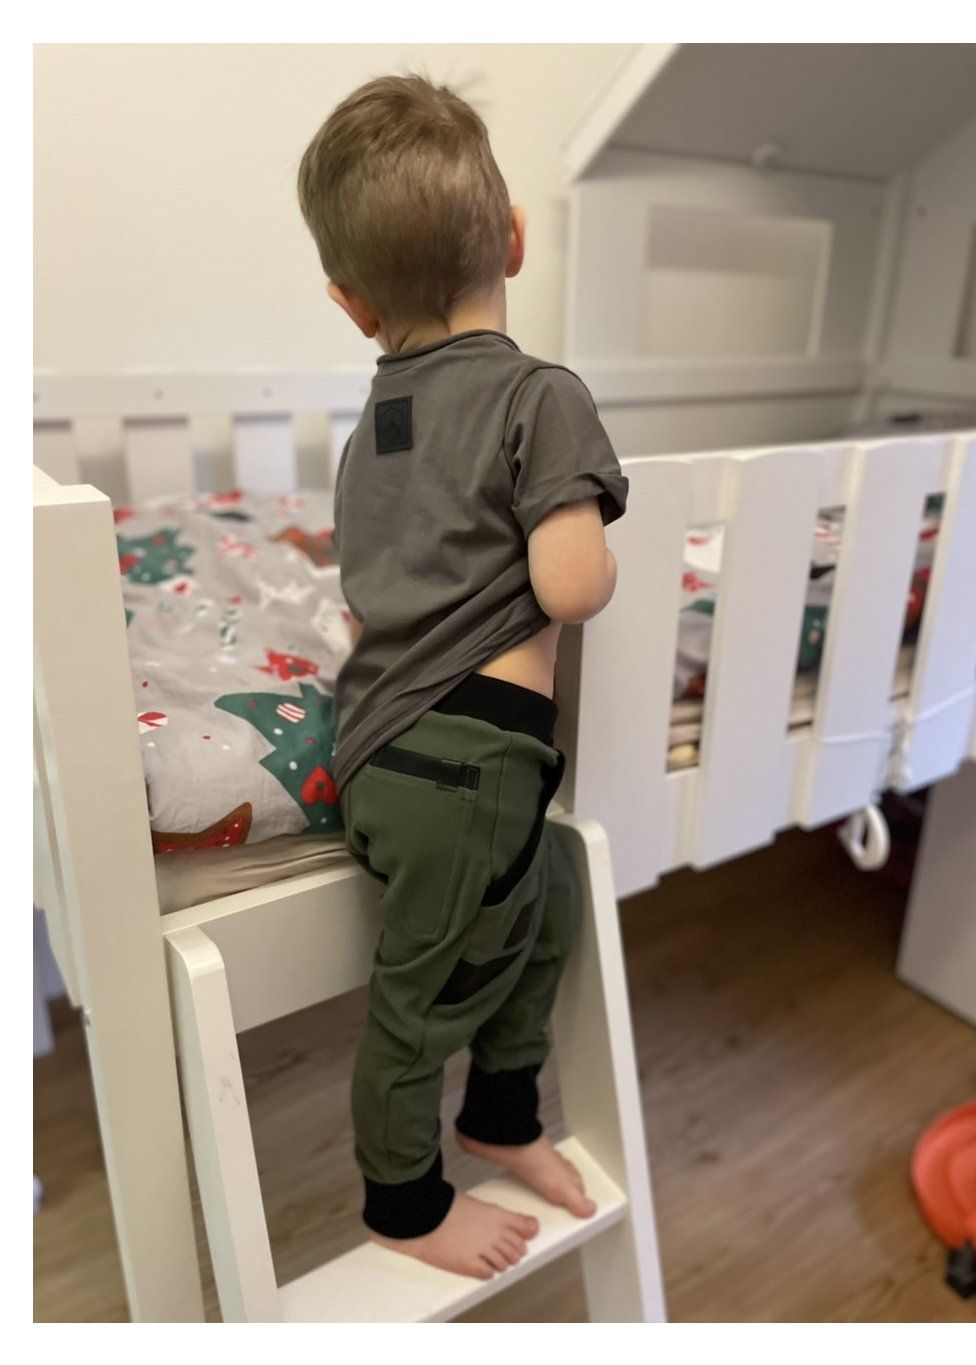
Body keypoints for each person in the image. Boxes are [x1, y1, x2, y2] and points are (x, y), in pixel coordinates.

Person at [297, 73, 628, 1282]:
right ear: (514, 241)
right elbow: (570, 585)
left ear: (350, 304)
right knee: (421, 998)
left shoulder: (375, 428)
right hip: (468, 759)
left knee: (544, 909)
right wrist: (601, 544)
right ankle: (405, 1203)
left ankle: (501, 1116)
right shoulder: (540, 396)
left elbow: (380, 580)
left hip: (389, 747)